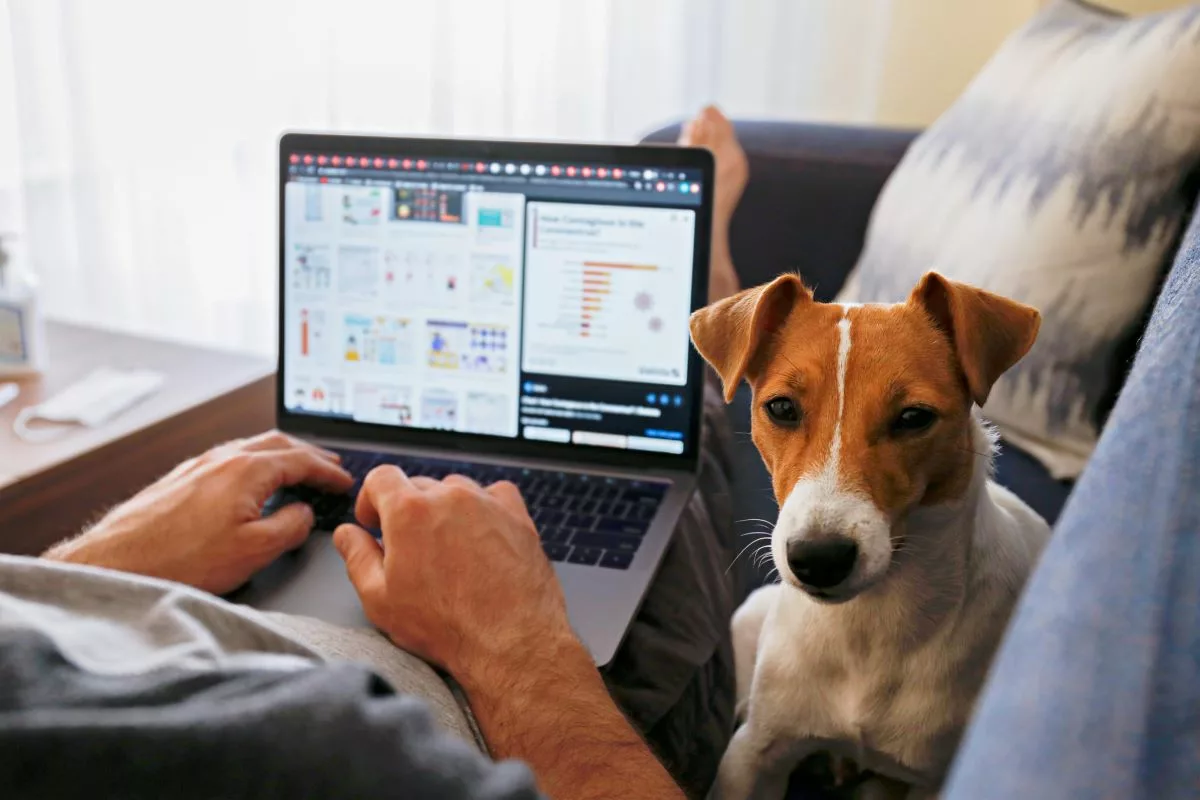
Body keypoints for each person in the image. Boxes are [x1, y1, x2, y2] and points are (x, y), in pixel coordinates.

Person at [0, 107, 749, 800]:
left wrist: (93, 564)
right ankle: (709, 302)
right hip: (524, 710)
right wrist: (516, 642)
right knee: (678, 449)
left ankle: (704, 315)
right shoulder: (327, 750)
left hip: (187, 597)